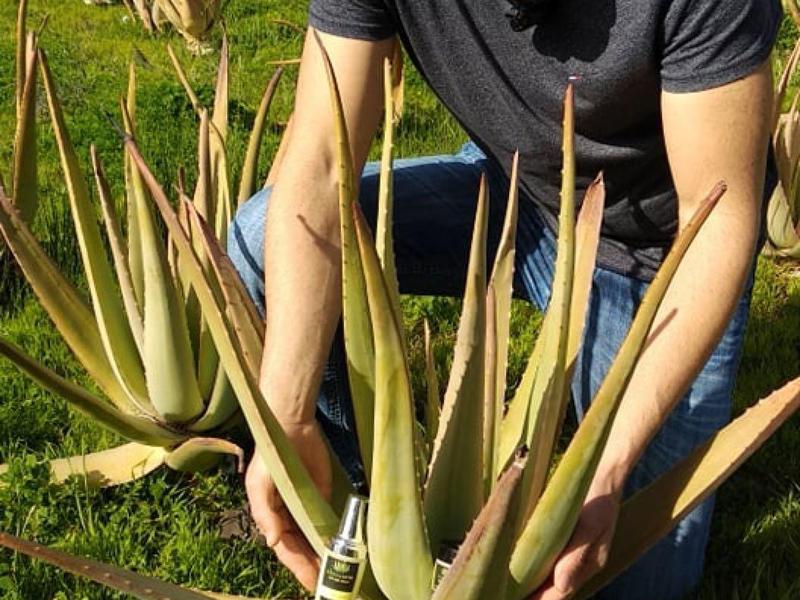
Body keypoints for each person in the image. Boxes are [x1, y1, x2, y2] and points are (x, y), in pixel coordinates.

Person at [228, 1, 782, 598]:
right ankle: (363, 499)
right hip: (518, 188)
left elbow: (718, 219)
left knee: (636, 578)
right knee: (264, 239)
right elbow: (320, 164)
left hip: (653, 252)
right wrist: (285, 414)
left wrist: (601, 470)